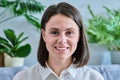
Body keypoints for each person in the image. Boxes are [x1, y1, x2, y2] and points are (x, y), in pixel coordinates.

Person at [13, 2, 104, 80]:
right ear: (44, 35)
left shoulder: (94, 78)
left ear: (79, 36)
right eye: (54, 32)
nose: (62, 40)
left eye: (69, 33)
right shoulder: (22, 78)